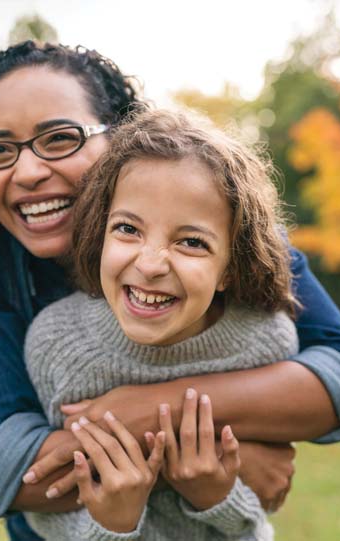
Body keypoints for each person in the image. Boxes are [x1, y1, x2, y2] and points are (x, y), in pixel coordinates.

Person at [0, 41, 340, 541]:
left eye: (59, 139)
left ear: (118, 139)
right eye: (0, 150)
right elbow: (4, 474)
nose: (27, 172)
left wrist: (154, 409)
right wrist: (229, 459)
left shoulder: (215, 221)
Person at [23, 108, 301, 540]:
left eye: (191, 242)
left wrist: (216, 495)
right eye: (128, 229)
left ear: (230, 266)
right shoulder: (59, 343)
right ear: (101, 234)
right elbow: (48, 513)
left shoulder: (264, 340)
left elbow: (266, 494)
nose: (150, 264)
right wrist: (114, 522)